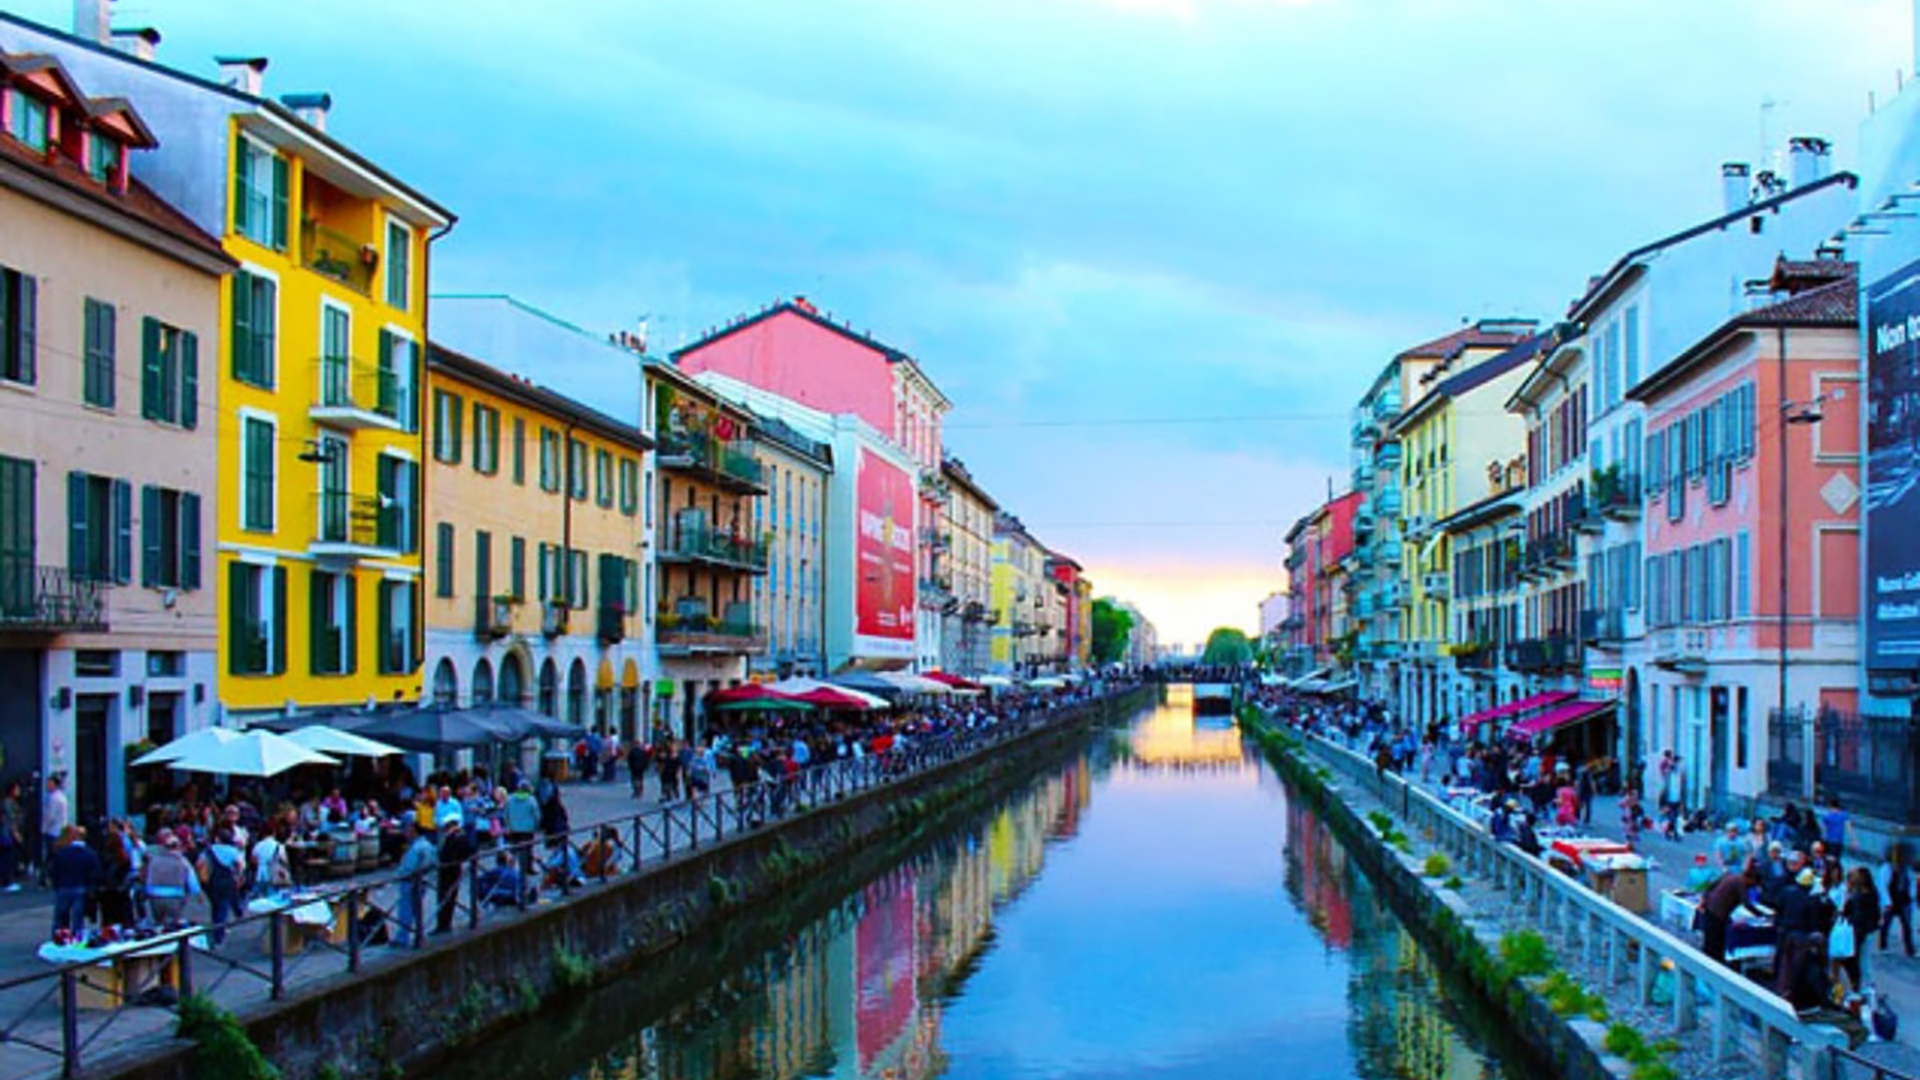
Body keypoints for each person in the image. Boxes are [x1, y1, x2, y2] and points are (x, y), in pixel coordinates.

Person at [196, 826, 246, 946]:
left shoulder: (208, 850)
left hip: (212, 882)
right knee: (223, 907)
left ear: (217, 839)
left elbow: (199, 864)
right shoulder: (232, 851)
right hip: (227, 881)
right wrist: (238, 875)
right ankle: (219, 935)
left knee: (216, 905)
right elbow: (241, 865)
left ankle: (216, 928)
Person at [1702, 862, 1759, 966]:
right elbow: (1746, 903)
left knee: (1709, 941)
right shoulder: (1740, 883)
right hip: (1718, 913)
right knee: (1716, 943)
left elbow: (1710, 886)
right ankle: (1714, 966)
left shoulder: (1731, 876)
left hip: (1710, 908)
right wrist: (1759, 914)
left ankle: (1707, 962)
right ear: (1750, 879)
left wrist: (1706, 899)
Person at [48, 826, 97, 939]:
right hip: (80, 887)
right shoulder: (90, 853)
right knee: (77, 917)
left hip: (63, 887)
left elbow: (54, 870)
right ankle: (76, 939)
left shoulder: (62, 853)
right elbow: (95, 872)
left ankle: (58, 937)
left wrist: (57, 884)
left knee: (60, 916)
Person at [1837, 865, 1881, 992]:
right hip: (1855, 930)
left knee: (1862, 960)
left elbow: (1873, 915)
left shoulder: (1868, 895)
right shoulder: (1856, 893)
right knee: (1856, 959)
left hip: (1863, 931)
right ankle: (1859, 985)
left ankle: (1865, 986)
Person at [393, 821, 437, 947]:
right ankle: (418, 934)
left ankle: (403, 937)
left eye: (408, 830)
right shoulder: (427, 845)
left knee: (405, 910)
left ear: (414, 832)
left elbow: (409, 867)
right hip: (421, 881)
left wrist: (401, 874)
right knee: (417, 910)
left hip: (410, 881)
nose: (405, 833)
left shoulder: (417, 847)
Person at [142, 831, 199, 927]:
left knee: (158, 923)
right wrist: (195, 892)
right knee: (173, 924)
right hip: (175, 895)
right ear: (178, 847)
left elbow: (148, 877)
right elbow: (192, 882)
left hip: (154, 895)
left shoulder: (155, 860)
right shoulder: (182, 861)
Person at [435, 819, 474, 935]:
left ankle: (444, 924)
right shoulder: (450, 836)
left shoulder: (458, 837)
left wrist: (456, 860)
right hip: (446, 868)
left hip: (451, 869)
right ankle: (442, 923)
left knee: (447, 896)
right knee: (443, 896)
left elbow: (469, 851)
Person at [1882, 845, 1915, 958]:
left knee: (1907, 926)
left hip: (1904, 901)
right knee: (1885, 924)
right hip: (1892, 900)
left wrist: (1911, 898)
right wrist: (1887, 901)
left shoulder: (1907, 870)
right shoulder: (1887, 869)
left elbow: (1911, 884)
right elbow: (1883, 885)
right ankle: (1883, 945)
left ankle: (1910, 949)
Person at [41, 774, 68, 886]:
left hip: (52, 831)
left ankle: (47, 878)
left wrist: (44, 829)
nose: (47, 785)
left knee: (51, 856)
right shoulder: (62, 797)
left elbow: (50, 817)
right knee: (55, 856)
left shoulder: (53, 798)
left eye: (49, 783)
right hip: (60, 831)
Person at [0, 781, 23, 892]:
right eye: (17, 789)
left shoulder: (10, 802)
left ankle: (7, 880)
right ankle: (7, 881)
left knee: (8, 857)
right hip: (7, 835)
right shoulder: (8, 803)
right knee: (7, 858)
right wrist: (15, 833)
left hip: (7, 833)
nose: (19, 791)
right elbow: (10, 820)